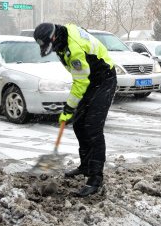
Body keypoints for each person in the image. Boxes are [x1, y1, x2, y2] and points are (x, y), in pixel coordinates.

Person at [33, 22, 117, 197]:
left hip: (103, 79)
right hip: (90, 78)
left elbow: (81, 81)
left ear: (55, 37)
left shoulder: (74, 49)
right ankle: (85, 166)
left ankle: (95, 177)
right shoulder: (63, 37)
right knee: (79, 124)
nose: (52, 50)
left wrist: (68, 108)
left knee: (93, 129)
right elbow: (81, 78)